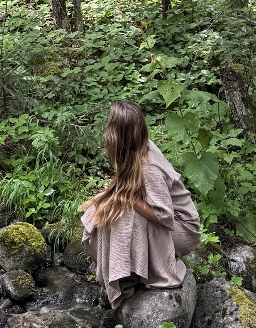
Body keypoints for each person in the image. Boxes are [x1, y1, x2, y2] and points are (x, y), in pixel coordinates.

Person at [79, 98, 201, 312]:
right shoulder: (135, 148)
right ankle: (121, 268)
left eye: (111, 124)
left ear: (121, 134)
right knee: (103, 207)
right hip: (169, 221)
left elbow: (165, 216)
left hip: (183, 229)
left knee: (122, 214)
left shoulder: (149, 167)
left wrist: (130, 199)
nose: (107, 130)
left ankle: (130, 276)